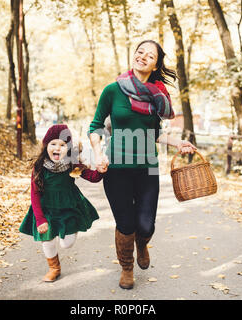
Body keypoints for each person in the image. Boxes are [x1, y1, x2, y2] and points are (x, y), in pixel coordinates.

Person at [88, 40, 197, 289]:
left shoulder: (156, 95)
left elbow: (154, 132)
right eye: (140, 52)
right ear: (134, 55)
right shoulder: (112, 91)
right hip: (117, 169)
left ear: (156, 64)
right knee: (126, 224)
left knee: (146, 225)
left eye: (150, 55)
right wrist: (97, 152)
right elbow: (95, 125)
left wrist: (177, 143)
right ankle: (126, 268)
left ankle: (141, 243)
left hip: (147, 168)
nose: (143, 57)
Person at [19, 124, 105, 282]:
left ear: (69, 148)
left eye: (62, 145)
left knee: (67, 244)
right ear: (46, 146)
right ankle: (54, 268)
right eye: (53, 144)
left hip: (68, 207)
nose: (57, 147)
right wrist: (40, 219)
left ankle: (70, 230)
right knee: (47, 239)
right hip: (47, 208)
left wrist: (101, 170)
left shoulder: (72, 165)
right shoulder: (39, 167)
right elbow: (35, 193)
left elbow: (93, 177)